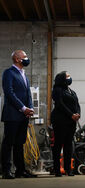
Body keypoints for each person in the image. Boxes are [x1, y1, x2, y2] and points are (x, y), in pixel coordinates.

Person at [1, 50, 35, 179]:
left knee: (20, 143)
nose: (26, 58)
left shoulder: (23, 75)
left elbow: (28, 93)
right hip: (12, 114)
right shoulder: (9, 73)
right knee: (8, 143)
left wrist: (30, 108)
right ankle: (6, 171)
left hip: (23, 115)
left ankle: (20, 170)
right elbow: (9, 93)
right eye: (24, 56)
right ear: (16, 59)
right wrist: (23, 108)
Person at [51, 71, 80, 177]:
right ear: (62, 79)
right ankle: (57, 170)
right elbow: (60, 104)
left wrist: (78, 114)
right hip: (60, 120)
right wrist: (71, 114)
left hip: (71, 122)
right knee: (58, 145)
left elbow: (77, 104)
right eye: (67, 76)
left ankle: (68, 169)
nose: (69, 78)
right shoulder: (57, 90)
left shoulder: (72, 91)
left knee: (68, 145)